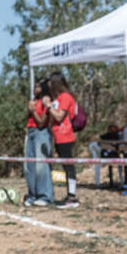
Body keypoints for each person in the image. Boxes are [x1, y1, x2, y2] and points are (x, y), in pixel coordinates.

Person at [42, 72, 80, 208]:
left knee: (69, 166)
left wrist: (48, 105)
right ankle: (70, 195)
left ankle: (71, 197)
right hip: (58, 136)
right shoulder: (57, 98)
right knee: (65, 166)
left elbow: (59, 116)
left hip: (65, 136)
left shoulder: (65, 97)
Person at [23, 79, 54, 207]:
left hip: (41, 133)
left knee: (41, 166)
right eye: (34, 86)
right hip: (30, 132)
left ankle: (45, 196)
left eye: (38, 86)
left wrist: (34, 111)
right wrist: (29, 110)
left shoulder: (46, 101)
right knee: (28, 166)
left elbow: (41, 122)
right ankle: (32, 195)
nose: (35, 89)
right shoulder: (33, 101)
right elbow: (28, 119)